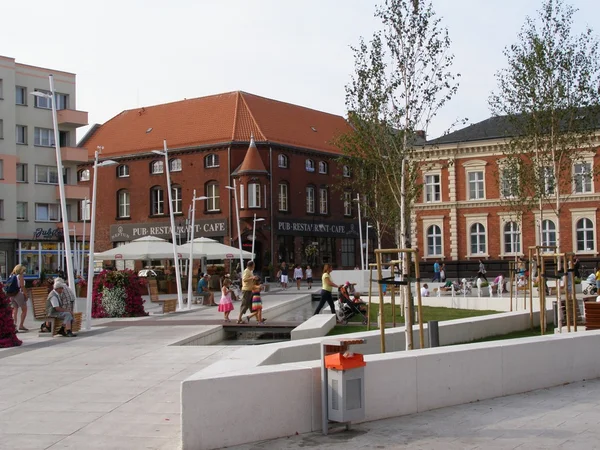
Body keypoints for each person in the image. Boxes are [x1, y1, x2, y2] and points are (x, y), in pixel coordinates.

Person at [9, 264, 28, 332]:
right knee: (24, 310)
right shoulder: (20, 276)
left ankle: (14, 326)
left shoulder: (11, 276)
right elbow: (22, 286)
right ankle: (21, 325)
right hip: (18, 294)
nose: (24, 271)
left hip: (11, 294)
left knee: (15, 310)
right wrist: (26, 295)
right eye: (23, 270)